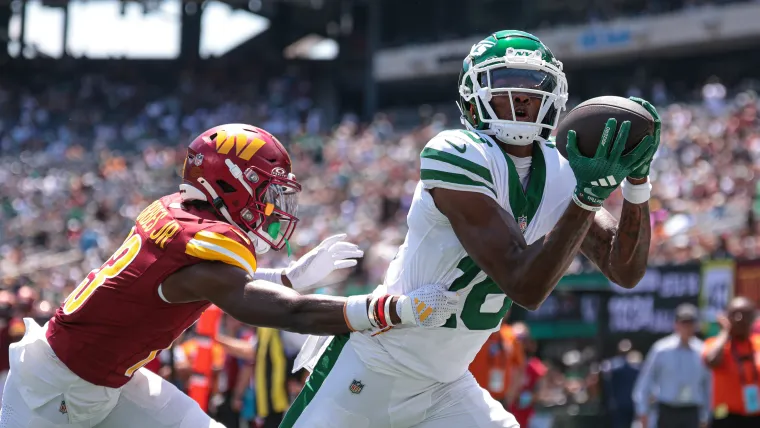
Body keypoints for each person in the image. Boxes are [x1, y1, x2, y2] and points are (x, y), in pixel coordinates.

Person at [282, 30, 660, 427]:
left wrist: (637, 185)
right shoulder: (457, 153)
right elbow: (524, 284)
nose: (524, 96)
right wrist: (586, 198)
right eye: (506, 84)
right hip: (377, 365)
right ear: (473, 96)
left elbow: (625, 270)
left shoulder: (561, 170)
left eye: (535, 83)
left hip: (445, 384)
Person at [0, 124, 460, 427]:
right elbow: (271, 309)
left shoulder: (180, 216)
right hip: (51, 386)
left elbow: (221, 285)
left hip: (109, 381)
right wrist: (387, 310)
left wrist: (291, 276)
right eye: (265, 190)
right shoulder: (203, 242)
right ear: (230, 182)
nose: (273, 206)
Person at [633, 303, 711, 428]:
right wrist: (642, 411)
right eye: (683, 323)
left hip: (692, 411)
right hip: (667, 410)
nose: (687, 327)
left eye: (690, 323)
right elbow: (645, 382)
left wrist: (706, 415)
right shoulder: (661, 349)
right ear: (676, 325)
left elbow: (708, 385)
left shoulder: (703, 350)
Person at [703, 297, 760, 428]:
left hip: (755, 417)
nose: (739, 319)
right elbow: (711, 361)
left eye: (744, 314)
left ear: (753, 318)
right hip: (725, 417)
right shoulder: (717, 344)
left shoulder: (758, 344)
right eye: (734, 314)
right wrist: (725, 332)